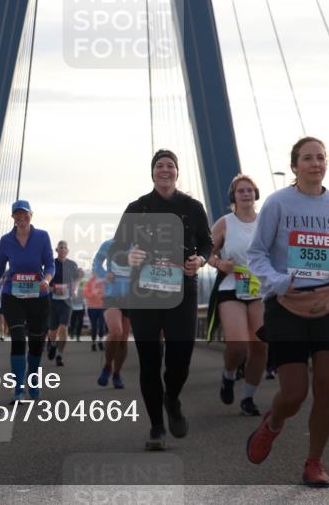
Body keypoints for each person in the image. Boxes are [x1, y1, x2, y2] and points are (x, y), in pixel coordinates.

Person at [245, 136, 329, 488]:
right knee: (295, 392)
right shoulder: (277, 204)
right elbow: (256, 254)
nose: (315, 163)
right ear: (295, 165)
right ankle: (273, 422)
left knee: (328, 385)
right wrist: (277, 281)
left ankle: (314, 462)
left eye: (320, 158)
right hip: (286, 305)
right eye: (307, 158)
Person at [109, 150, 213, 451]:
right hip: (144, 292)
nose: (165, 170)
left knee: (181, 357)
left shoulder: (192, 207)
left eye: (170, 166)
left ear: (177, 173)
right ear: (152, 173)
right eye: (159, 166)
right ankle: (156, 426)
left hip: (183, 289)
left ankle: (172, 398)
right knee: (150, 362)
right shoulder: (137, 207)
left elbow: (206, 242)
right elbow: (116, 249)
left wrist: (201, 259)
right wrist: (128, 256)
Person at [205, 173, 267, 416]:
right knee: (239, 345)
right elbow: (206, 252)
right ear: (234, 196)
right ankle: (229, 375)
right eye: (241, 191)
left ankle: (248, 398)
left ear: (256, 194)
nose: (246, 194)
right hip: (232, 285)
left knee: (261, 345)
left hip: (259, 288)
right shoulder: (225, 223)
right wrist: (219, 264)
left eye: (250, 190)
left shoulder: (266, 221)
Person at [0, 200, 55, 401]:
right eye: (17, 214)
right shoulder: (6, 241)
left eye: (24, 214)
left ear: (31, 214)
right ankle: (17, 388)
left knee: (36, 342)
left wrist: (47, 281)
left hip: (38, 296)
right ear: (13, 217)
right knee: (17, 338)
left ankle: (32, 382)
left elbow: (49, 265)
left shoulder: (42, 237)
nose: (21, 217)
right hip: (12, 295)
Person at [93, 238, 130, 390]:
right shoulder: (109, 244)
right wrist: (103, 275)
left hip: (132, 297)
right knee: (116, 331)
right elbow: (96, 262)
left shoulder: (139, 245)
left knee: (123, 339)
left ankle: (117, 373)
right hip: (111, 295)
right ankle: (107, 366)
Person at [47, 241, 79, 366]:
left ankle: (60, 355)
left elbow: (76, 279)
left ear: (68, 250)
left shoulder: (72, 264)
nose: (63, 249)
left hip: (67, 301)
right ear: (56, 250)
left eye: (65, 247)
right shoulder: (51, 264)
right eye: (61, 247)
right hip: (53, 301)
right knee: (52, 331)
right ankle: (53, 344)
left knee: (64, 328)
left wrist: (74, 291)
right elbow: (45, 282)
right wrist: (53, 289)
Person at [84, 270, 106, 351]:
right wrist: (94, 293)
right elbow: (85, 293)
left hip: (102, 307)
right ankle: (93, 343)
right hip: (92, 307)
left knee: (101, 326)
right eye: (94, 271)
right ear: (92, 272)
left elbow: (108, 292)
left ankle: (100, 341)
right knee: (94, 326)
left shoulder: (104, 281)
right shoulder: (89, 282)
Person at [68, 269, 86, 342]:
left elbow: (86, 291)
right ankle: (72, 333)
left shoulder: (84, 281)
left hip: (82, 304)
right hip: (73, 305)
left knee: (80, 321)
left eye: (81, 273)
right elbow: (69, 291)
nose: (80, 274)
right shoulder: (72, 281)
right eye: (79, 272)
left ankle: (78, 336)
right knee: (73, 321)